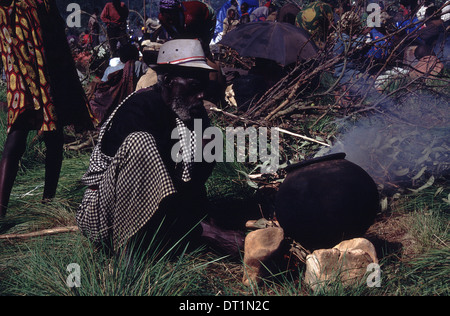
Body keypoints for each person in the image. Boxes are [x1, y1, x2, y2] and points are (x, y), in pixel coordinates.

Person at [77, 39, 244, 255]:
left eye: (203, 87)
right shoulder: (139, 110)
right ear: (168, 80)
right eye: (194, 87)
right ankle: (128, 253)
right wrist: (209, 233)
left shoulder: (191, 113)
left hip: (164, 211)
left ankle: (170, 236)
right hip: (107, 214)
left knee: (212, 138)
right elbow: (158, 184)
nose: (201, 96)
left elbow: (188, 186)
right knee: (141, 144)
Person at [0, 0, 94, 218]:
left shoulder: (45, 4)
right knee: (17, 133)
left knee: (54, 134)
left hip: (51, 68)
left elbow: (55, 35)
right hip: (23, 69)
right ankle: (1, 211)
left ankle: (47, 202)